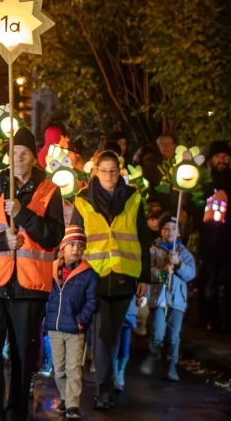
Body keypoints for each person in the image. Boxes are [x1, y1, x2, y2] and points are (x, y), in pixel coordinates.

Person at [0, 126, 65, 421]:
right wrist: (0, 242)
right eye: (14, 153)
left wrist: (23, 214)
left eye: (24, 153)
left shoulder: (49, 191)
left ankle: (17, 412)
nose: (18, 158)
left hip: (30, 287)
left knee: (24, 356)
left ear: (34, 158)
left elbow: (53, 236)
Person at [69, 150, 152, 411]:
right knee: (102, 335)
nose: (109, 175)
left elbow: (143, 239)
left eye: (113, 170)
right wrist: (72, 273)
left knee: (113, 335)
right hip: (94, 277)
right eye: (104, 171)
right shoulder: (83, 200)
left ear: (120, 171)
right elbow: (75, 238)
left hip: (125, 275)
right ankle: (103, 391)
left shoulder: (133, 198)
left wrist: (145, 277)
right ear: (95, 171)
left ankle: (107, 380)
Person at [45, 226, 96, 420]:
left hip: (75, 330)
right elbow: (45, 295)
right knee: (59, 368)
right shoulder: (50, 270)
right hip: (54, 328)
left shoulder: (88, 274)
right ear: (63, 247)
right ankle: (65, 398)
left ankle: (73, 405)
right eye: (72, 244)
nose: (76, 249)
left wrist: (81, 322)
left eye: (80, 246)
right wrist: (46, 317)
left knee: (73, 368)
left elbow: (91, 302)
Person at [198, 141, 231, 333]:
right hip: (210, 241)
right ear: (211, 159)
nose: (222, 160)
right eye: (218, 156)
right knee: (209, 283)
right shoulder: (203, 181)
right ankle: (210, 319)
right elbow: (195, 205)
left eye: (225, 156)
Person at [140, 214, 196, 381]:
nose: (169, 231)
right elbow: (147, 272)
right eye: (165, 228)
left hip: (177, 300)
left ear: (179, 232)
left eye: (173, 228)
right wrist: (163, 272)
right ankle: (154, 354)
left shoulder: (184, 253)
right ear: (160, 231)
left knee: (173, 336)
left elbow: (190, 274)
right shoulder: (153, 250)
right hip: (160, 298)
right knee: (157, 332)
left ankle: (172, 364)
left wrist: (178, 264)